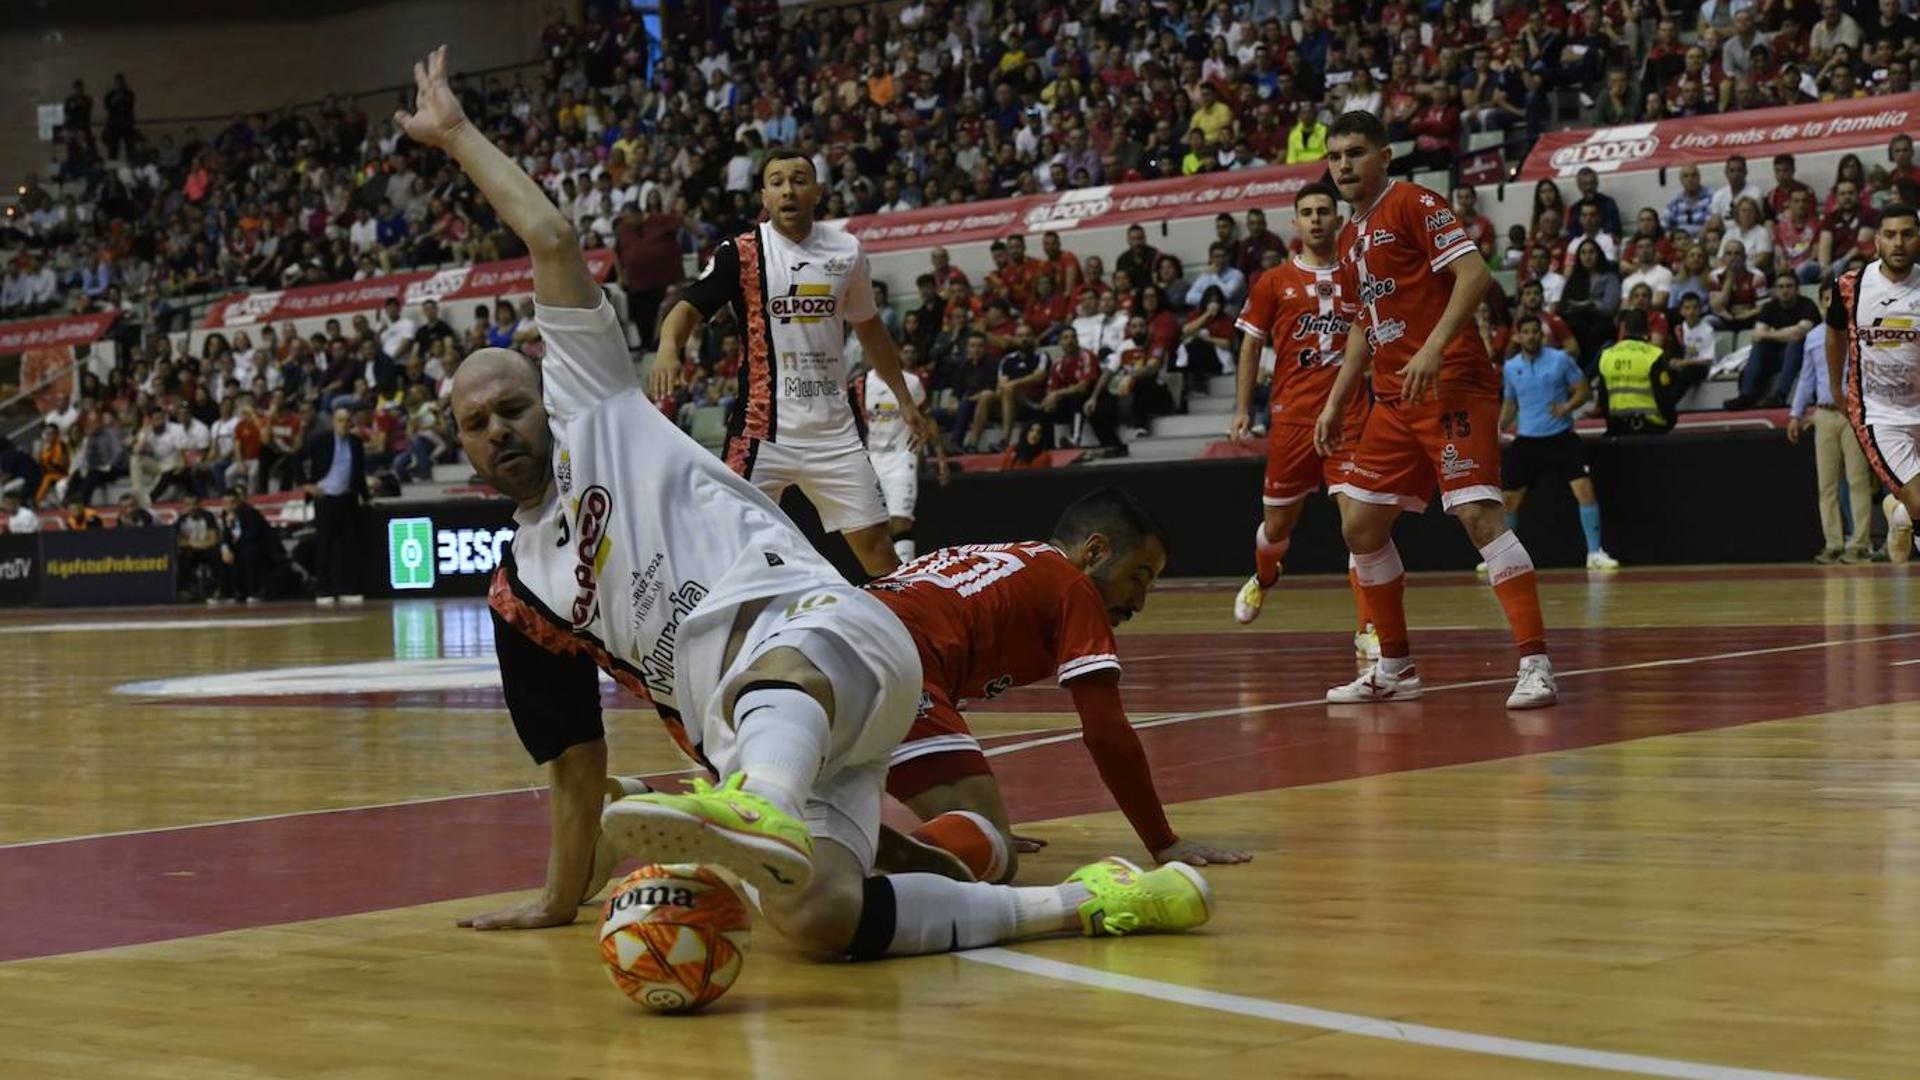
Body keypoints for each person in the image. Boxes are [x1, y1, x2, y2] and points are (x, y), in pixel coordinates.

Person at [394, 47, 1211, 954]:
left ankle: (763, 811)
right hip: (751, 741)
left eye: (511, 406)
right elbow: (574, 760)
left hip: (824, 638)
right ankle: (1087, 902)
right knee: (823, 917)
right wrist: (555, 897)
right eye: (476, 423)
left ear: (542, 397)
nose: (499, 428)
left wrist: (458, 135)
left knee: (774, 685)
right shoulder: (521, 592)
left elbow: (548, 237)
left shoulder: (594, 404)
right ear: (459, 442)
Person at [870, 492, 1252, 883]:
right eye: (1137, 578)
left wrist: (970, 817)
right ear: (1095, 551)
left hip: (825, 638)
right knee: (991, 853)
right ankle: (857, 862)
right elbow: (1106, 734)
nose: (1138, 602)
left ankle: (837, 842)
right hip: (888, 657)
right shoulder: (1073, 587)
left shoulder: (1006, 562)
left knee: (964, 829)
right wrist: (1162, 841)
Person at [1314, 110, 1557, 710]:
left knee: (1477, 515)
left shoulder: (1415, 203)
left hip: (1451, 381)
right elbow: (1358, 331)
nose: (1343, 164)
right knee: (1359, 525)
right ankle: (1394, 667)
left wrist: (1432, 347)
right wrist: (1337, 399)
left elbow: (1475, 275)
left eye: (1355, 153)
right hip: (1394, 399)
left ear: (1384, 157)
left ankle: (1536, 664)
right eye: (1335, 155)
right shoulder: (1347, 240)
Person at [654, 149, 934, 579]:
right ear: (764, 196)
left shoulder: (846, 251)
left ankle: (913, 638)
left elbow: (871, 330)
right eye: (778, 181)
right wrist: (668, 350)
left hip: (833, 433)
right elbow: (688, 306)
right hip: (762, 432)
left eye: (800, 179)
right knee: (726, 549)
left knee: (879, 552)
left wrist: (905, 401)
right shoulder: (741, 253)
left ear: (818, 192)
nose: (789, 189)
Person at [1225, 182, 1376, 664]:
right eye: (1306, 212)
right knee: (1276, 527)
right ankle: (1265, 577)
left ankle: (1368, 627)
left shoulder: (1359, 274)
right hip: (1292, 421)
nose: (1315, 219)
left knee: (1360, 525)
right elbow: (1250, 345)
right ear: (1295, 222)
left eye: (1323, 211)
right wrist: (1243, 408)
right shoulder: (1273, 281)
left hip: (1350, 415)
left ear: (1338, 218)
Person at [1829, 204, 1920, 560]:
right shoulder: (1851, 286)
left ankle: (1899, 515)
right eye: (1891, 235)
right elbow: (1834, 334)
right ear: (1877, 241)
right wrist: (1835, 388)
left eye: (1908, 234)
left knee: (1913, 502)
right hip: (1879, 413)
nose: (1899, 243)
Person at [1498, 315, 1619, 570]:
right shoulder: (1510, 367)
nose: (1531, 336)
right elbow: (1510, 403)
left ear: (1542, 336)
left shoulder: (1560, 359)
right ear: (1518, 337)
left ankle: (1594, 553)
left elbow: (1583, 390)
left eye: (1535, 332)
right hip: (1527, 440)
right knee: (1509, 501)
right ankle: (1504, 558)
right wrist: (1497, 427)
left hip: (1561, 438)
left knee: (1585, 491)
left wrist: (1566, 407)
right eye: (1526, 332)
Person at [1788, 280, 1873, 564]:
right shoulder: (1813, 337)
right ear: (1822, 302)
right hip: (1823, 413)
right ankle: (1834, 543)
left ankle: (1859, 544)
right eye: (1825, 298)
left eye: (1834, 299)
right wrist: (1795, 414)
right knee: (1827, 484)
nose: (1830, 303)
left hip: (1852, 413)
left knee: (1858, 480)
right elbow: (1806, 378)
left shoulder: (1859, 333)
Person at [852, 363, 948, 565]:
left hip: (903, 457)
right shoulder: (861, 384)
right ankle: (888, 580)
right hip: (872, 459)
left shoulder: (912, 382)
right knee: (877, 527)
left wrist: (941, 457)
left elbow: (928, 418)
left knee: (901, 520)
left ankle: (906, 578)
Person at [300, 406, 367, 604]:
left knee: (349, 545)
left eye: (347, 420)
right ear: (333, 422)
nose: (344, 424)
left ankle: (348, 588)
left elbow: (359, 472)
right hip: (325, 498)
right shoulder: (321, 440)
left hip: (347, 499)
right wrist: (306, 485)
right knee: (325, 545)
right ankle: (324, 590)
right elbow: (296, 458)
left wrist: (365, 496)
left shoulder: (356, 443)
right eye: (340, 420)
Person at [1596, 310, 1675, 435]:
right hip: (1650, 428)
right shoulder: (1653, 355)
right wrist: (1671, 420)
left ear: (1624, 328)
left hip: (1617, 428)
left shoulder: (1607, 355)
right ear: (1647, 328)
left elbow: (1603, 397)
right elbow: (1663, 395)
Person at [174, 493, 224, 601]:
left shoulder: (208, 517)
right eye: (188, 505)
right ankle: (188, 589)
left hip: (207, 549)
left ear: (199, 504)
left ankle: (217, 588)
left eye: (194, 504)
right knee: (183, 556)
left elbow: (213, 539)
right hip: (192, 550)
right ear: (184, 506)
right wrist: (193, 545)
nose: (192, 508)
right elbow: (180, 541)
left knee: (216, 554)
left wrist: (197, 544)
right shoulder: (181, 520)